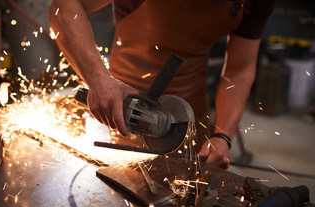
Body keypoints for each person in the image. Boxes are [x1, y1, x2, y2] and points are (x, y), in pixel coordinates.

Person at [48, 0, 275, 169]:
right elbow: (64, 7)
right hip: (124, 106)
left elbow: (239, 70)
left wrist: (222, 136)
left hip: (188, 116)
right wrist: (99, 80)